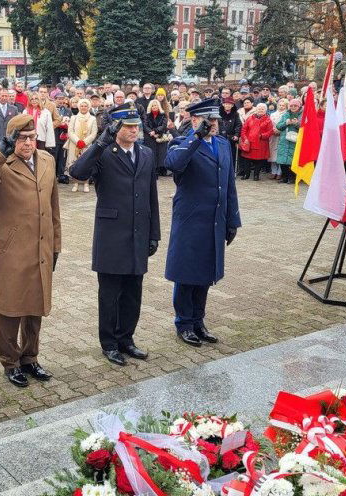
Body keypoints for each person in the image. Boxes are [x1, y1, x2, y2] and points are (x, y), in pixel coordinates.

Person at [0, 114, 62, 388]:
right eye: (21, 138)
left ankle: (30, 357)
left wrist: (56, 245)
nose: (28, 143)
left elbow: (54, 206)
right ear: (11, 139)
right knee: (11, 307)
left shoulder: (47, 160)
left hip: (42, 244)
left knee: (35, 305)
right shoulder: (2, 164)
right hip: (13, 248)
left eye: (31, 137)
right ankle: (10, 361)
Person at [69, 104, 160, 366]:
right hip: (111, 235)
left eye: (136, 126)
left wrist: (154, 233)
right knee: (109, 294)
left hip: (138, 233)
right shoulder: (105, 153)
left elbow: (152, 196)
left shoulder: (146, 153)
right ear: (116, 128)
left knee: (133, 292)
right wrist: (99, 143)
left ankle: (126, 339)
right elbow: (77, 173)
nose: (134, 130)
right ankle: (109, 343)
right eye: (128, 126)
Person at [164, 98, 241, 347]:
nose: (215, 124)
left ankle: (198, 321)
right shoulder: (181, 143)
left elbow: (229, 184)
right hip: (191, 220)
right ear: (195, 119)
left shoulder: (223, 144)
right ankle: (184, 323)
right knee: (187, 273)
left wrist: (232, 220)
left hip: (214, 220)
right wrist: (196, 137)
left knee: (206, 272)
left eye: (216, 119)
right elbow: (173, 165)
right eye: (209, 120)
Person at [66, 98, 98, 192]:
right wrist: (77, 141)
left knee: (86, 164)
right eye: (82, 106)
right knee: (74, 163)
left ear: (88, 107)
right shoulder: (74, 118)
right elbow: (70, 131)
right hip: (74, 144)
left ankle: (86, 183)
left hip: (86, 145)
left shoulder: (92, 119)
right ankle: (75, 183)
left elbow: (94, 133)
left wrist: (85, 142)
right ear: (79, 107)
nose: (83, 107)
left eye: (85, 106)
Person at [238, 103, 273, 181]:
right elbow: (244, 129)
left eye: (262, 109)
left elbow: (270, 132)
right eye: (259, 108)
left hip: (261, 143)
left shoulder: (268, 120)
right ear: (256, 109)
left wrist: (262, 136)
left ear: (265, 110)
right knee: (246, 159)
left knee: (259, 160)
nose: (260, 110)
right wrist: (245, 138)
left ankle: (256, 175)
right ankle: (246, 174)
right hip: (249, 143)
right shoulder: (250, 118)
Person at [274, 98, 302, 184]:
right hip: (284, 140)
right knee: (282, 160)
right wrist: (286, 123)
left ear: (299, 106)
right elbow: (278, 126)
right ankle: (284, 177)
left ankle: (292, 178)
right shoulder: (285, 114)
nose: (293, 107)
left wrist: (296, 124)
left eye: (295, 106)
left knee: (293, 160)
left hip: (295, 140)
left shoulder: (302, 115)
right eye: (291, 105)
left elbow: (305, 127)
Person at [144, 99, 170, 177]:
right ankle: (153, 169)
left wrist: (155, 131)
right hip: (150, 136)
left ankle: (161, 169)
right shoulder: (147, 115)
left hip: (160, 134)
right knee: (152, 152)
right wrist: (151, 132)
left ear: (158, 106)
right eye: (152, 106)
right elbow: (145, 125)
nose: (154, 107)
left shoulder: (163, 114)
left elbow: (164, 125)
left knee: (161, 152)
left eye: (155, 105)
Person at [218, 97, 242, 170]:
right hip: (220, 137)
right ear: (223, 104)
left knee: (231, 154)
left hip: (231, 137)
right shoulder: (218, 113)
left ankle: (231, 169)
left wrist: (236, 135)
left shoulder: (235, 114)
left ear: (232, 105)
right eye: (226, 104)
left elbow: (238, 125)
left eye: (229, 104)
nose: (227, 105)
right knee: (221, 154)